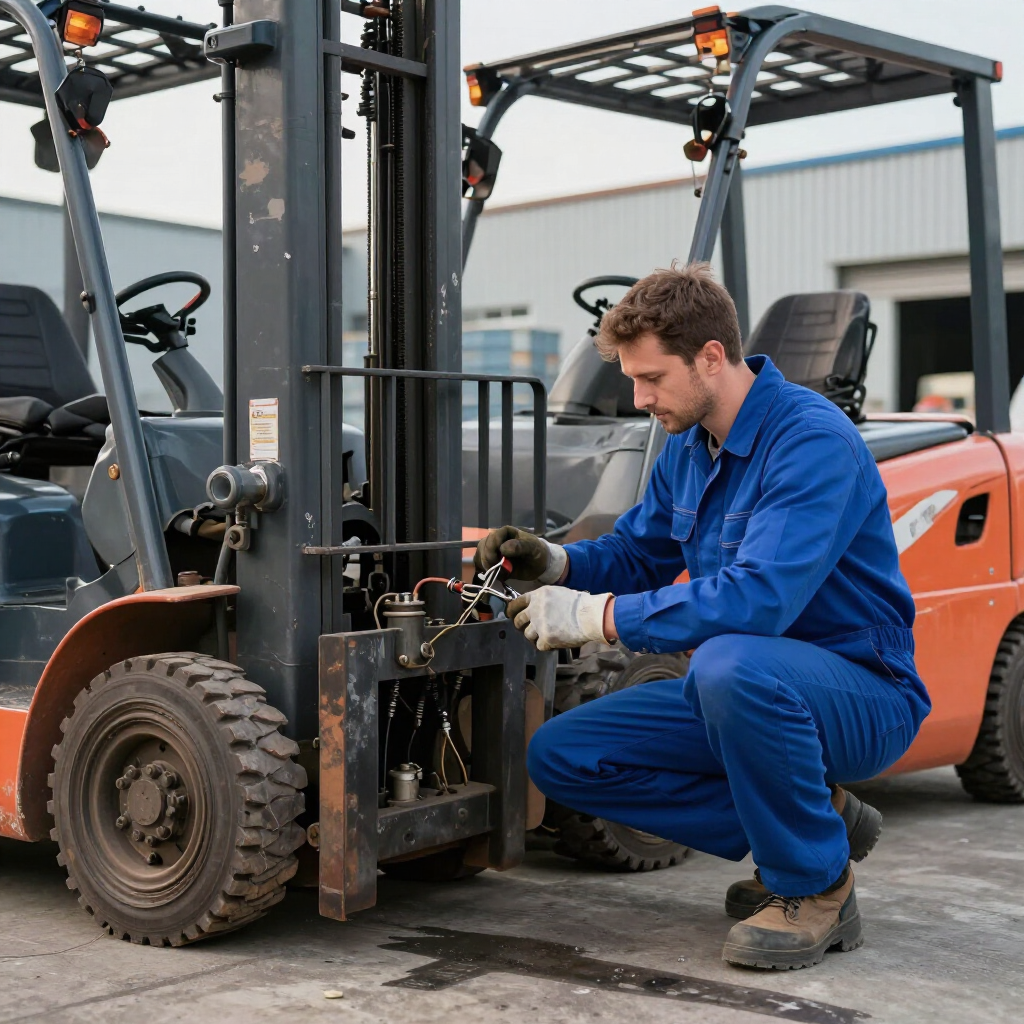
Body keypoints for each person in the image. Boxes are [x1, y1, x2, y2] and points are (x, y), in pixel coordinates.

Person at [475, 263, 930, 971]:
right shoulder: (689, 450)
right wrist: (556, 565)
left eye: (652, 378)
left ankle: (816, 886)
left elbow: (759, 599)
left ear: (711, 357)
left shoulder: (810, 441)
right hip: (743, 693)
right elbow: (638, 552)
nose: (638, 396)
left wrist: (597, 619)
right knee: (562, 755)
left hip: (861, 692)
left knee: (729, 660)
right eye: (632, 378)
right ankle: (816, 819)